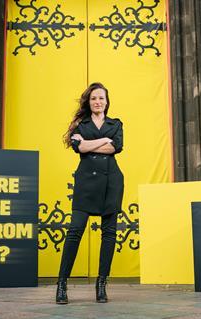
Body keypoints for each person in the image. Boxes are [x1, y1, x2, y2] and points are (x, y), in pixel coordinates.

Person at [56, 82, 124, 304]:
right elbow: (80, 148)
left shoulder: (116, 123)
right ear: (89, 101)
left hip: (111, 182)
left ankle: (102, 283)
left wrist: (91, 143)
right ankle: (62, 284)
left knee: (109, 233)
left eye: (101, 98)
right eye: (94, 98)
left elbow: (115, 147)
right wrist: (104, 140)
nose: (97, 102)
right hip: (86, 182)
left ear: (107, 101)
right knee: (75, 231)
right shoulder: (80, 125)